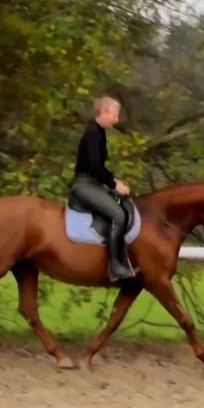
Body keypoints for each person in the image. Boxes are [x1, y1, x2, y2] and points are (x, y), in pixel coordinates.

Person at [70, 96, 137, 281]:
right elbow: (94, 166)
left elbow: (98, 167)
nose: (117, 120)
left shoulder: (98, 132)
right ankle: (115, 267)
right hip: (84, 185)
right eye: (115, 115)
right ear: (105, 112)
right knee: (118, 215)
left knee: (122, 205)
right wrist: (114, 184)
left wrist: (115, 181)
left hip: (93, 183)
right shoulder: (93, 133)